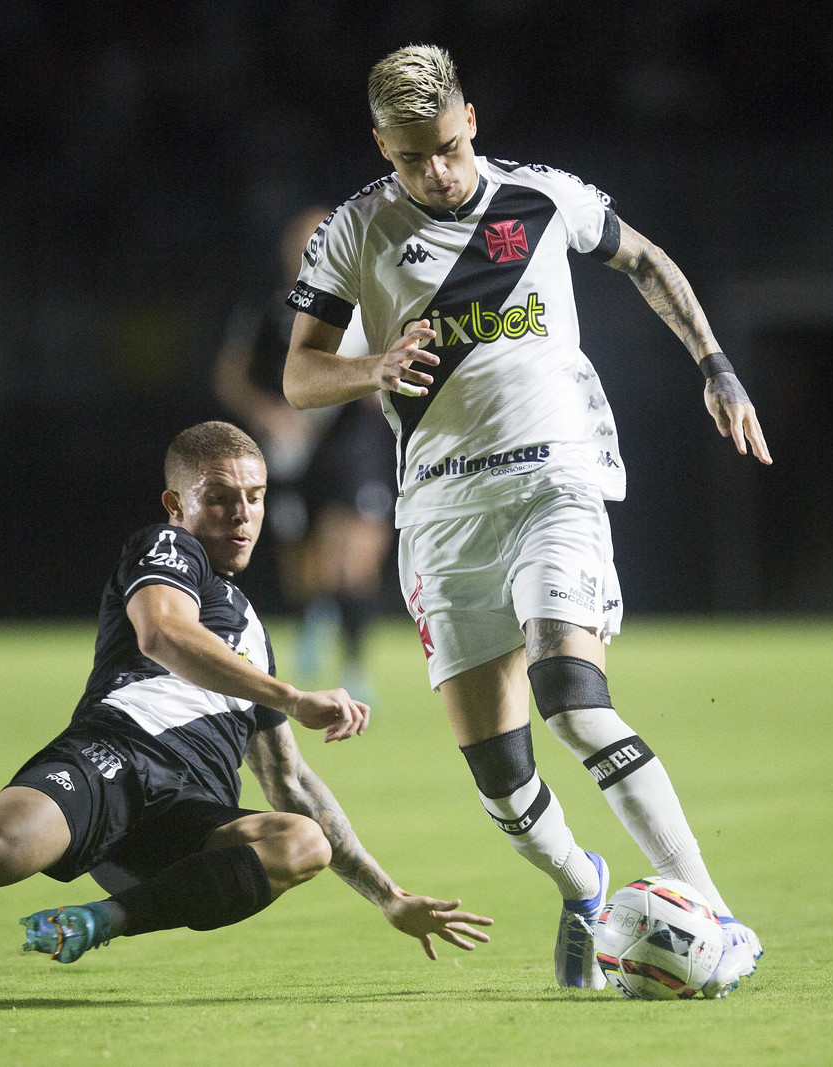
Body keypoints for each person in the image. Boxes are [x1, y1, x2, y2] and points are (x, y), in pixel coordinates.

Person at [281, 45, 772, 996]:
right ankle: (582, 883)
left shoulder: (540, 198)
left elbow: (645, 259)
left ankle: (715, 914)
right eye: (412, 157)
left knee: (574, 700)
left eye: (449, 147)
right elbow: (300, 374)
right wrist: (370, 366)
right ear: (381, 144)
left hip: (556, 482)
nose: (437, 171)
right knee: (503, 780)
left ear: (470, 117)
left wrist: (714, 362)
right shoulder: (355, 232)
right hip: (442, 514)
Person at [0, 422, 492, 965]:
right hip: (113, 756)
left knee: (303, 839)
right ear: (177, 502)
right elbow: (163, 636)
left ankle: (101, 921)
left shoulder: (257, 632)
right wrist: (292, 695)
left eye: (257, 497)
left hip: (186, 815)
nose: (243, 514)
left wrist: (388, 894)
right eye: (222, 497)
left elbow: (290, 780)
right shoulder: (166, 550)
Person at [213, 207, 396, 701]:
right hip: (293, 448)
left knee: (355, 557)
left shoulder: (367, 305)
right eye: (304, 240)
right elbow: (231, 375)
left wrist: (379, 385)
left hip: (353, 443)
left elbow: (386, 371)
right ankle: (313, 617)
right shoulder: (268, 308)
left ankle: (355, 669)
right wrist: (267, 412)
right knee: (304, 564)